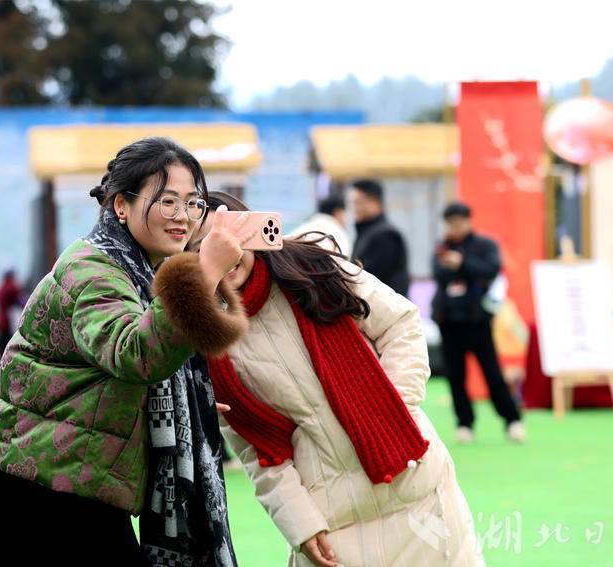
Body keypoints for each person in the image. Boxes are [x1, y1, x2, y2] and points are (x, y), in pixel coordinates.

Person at [0, 137, 256, 566]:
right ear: (121, 205)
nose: (183, 216)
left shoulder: (136, 267)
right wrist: (204, 273)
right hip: (52, 486)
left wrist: (183, 401)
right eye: (167, 201)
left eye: (193, 203)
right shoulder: (95, 271)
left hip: (77, 475)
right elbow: (134, 353)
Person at [190, 194, 483, 567]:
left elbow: (400, 323)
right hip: (332, 519)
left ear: (251, 231)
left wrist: (393, 408)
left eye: (228, 237)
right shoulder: (209, 341)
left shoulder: (313, 268)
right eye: (203, 248)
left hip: (418, 489)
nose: (223, 255)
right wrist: (301, 525)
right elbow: (257, 451)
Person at [432, 202, 525, 445]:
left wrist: (462, 264)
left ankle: (512, 420)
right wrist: (459, 268)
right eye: (450, 223)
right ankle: (464, 423)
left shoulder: (485, 245)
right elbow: (439, 274)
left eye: (458, 222)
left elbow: (491, 270)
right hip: (449, 321)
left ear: (468, 221)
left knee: (492, 373)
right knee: (456, 377)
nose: (454, 228)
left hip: (478, 321)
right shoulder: (442, 247)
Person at [349, 179, 410, 297]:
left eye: (358, 202)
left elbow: (368, 279)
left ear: (375, 202)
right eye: (352, 203)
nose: (355, 208)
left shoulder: (385, 235)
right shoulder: (367, 232)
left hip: (383, 307)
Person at [0, 269, 25, 354]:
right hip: (7, 321)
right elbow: (19, 296)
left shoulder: (1, 288)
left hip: (2, 320)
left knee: (3, 344)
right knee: (7, 344)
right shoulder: (9, 288)